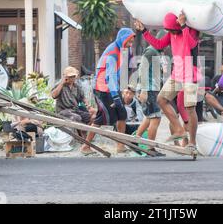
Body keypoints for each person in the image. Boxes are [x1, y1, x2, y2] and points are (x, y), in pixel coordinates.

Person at [135, 12, 201, 150]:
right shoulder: (172, 34)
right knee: (161, 99)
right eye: (168, 30)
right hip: (176, 74)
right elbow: (159, 45)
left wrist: (183, 26)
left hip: (190, 74)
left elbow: (191, 45)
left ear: (177, 26)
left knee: (190, 108)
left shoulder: (191, 31)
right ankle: (179, 129)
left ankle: (192, 143)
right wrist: (144, 31)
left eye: (171, 29)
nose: (170, 32)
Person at [82, 28, 136, 154]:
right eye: (129, 41)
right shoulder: (113, 52)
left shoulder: (120, 50)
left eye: (132, 42)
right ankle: (85, 146)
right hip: (103, 89)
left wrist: (118, 90)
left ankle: (120, 145)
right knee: (101, 118)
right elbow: (110, 76)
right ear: (123, 39)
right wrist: (115, 97)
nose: (130, 44)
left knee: (122, 114)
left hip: (111, 88)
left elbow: (116, 74)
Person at [134, 45, 164, 154]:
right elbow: (143, 68)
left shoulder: (155, 51)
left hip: (151, 89)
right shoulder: (151, 50)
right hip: (148, 89)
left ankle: (135, 140)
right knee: (156, 117)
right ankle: (150, 149)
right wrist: (144, 90)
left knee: (149, 117)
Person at [51, 66, 94, 140]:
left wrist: (88, 105)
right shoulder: (60, 85)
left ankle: (84, 132)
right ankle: (81, 136)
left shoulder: (77, 86)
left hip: (75, 109)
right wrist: (62, 83)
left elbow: (82, 97)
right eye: (70, 76)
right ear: (66, 77)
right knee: (77, 117)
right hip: (63, 110)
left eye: (73, 76)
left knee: (92, 117)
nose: (72, 78)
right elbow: (54, 95)